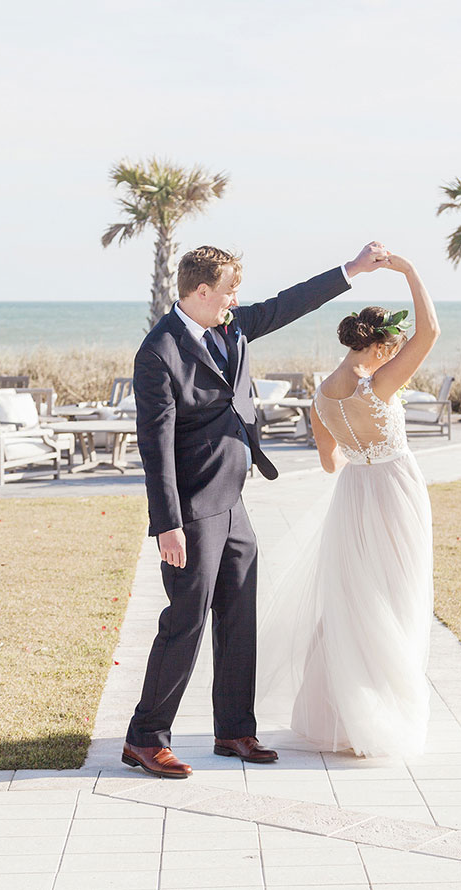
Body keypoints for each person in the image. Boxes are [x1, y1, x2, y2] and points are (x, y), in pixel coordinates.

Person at [122, 241, 390, 778]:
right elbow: (155, 446)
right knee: (186, 621)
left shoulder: (234, 326)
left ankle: (235, 730)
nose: (235, 300)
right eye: (228, 291)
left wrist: (353, 271)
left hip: (233, 500)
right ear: (201, 291)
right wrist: (168, 524)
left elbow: (289, 303)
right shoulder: (158, 353)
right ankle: (145, 737)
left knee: (240, 615)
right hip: (194, 507)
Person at [257, 252, 440, 757]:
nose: (394, 357)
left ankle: (337, 715)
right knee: (395, 596)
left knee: (353, 599)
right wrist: (408, 270)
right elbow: (430, 332)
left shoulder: (320, 400)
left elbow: (329, 460)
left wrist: (357, 451)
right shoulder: (378, 385)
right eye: (392, 350)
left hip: (354, 495)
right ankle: (381, 717)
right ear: (381, 346)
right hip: (396, 491)